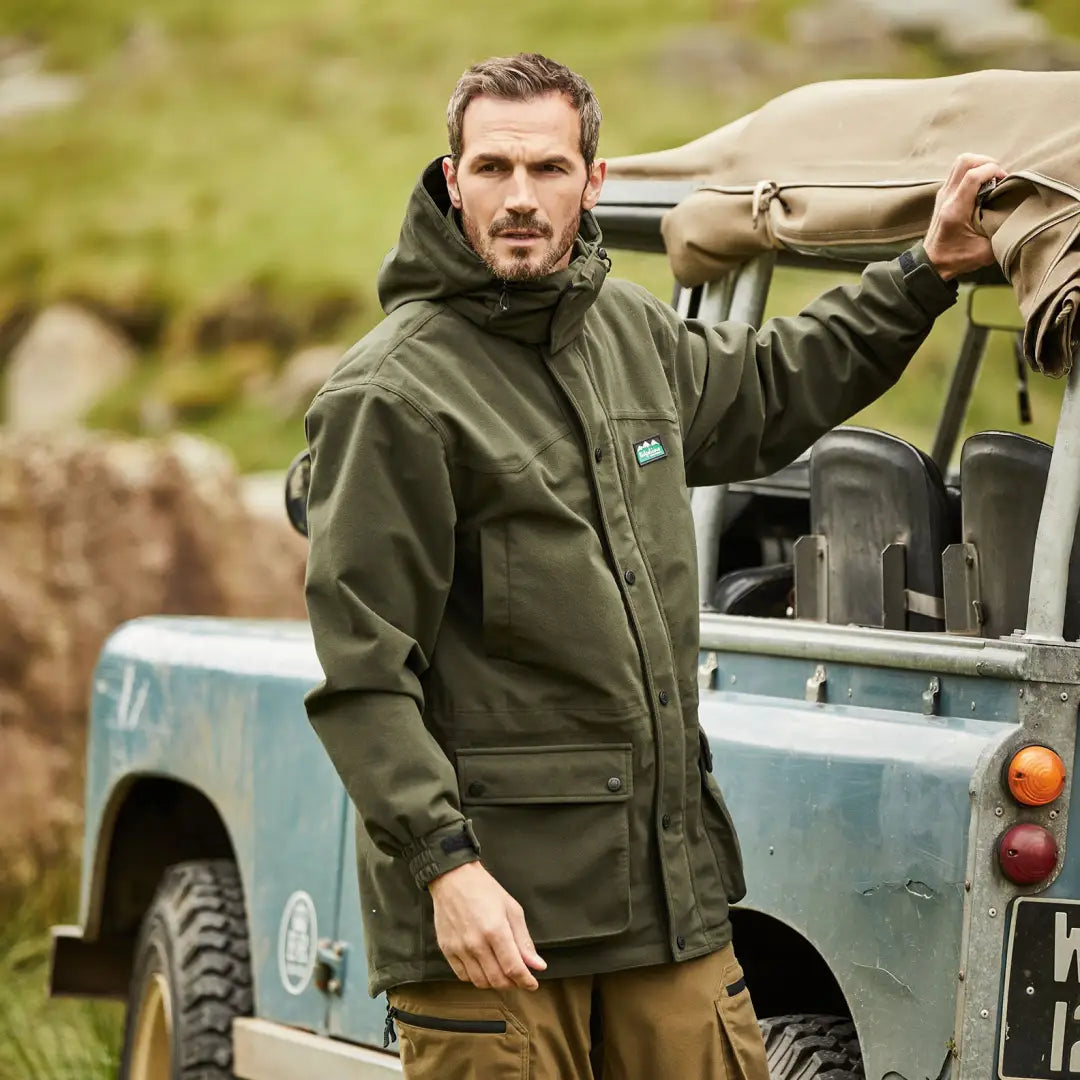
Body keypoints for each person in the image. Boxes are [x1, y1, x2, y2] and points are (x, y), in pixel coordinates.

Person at [303, 52, 1004, 1080]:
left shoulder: (628, 330)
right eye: (492, 168)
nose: (519, 198)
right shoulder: (391, 393)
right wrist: (443, 870)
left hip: (666, 905)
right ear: (452, 180)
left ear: (595, 181)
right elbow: (366, 675)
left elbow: (771, 388)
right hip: (494, 925)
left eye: (547, 169)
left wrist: (923, 276)